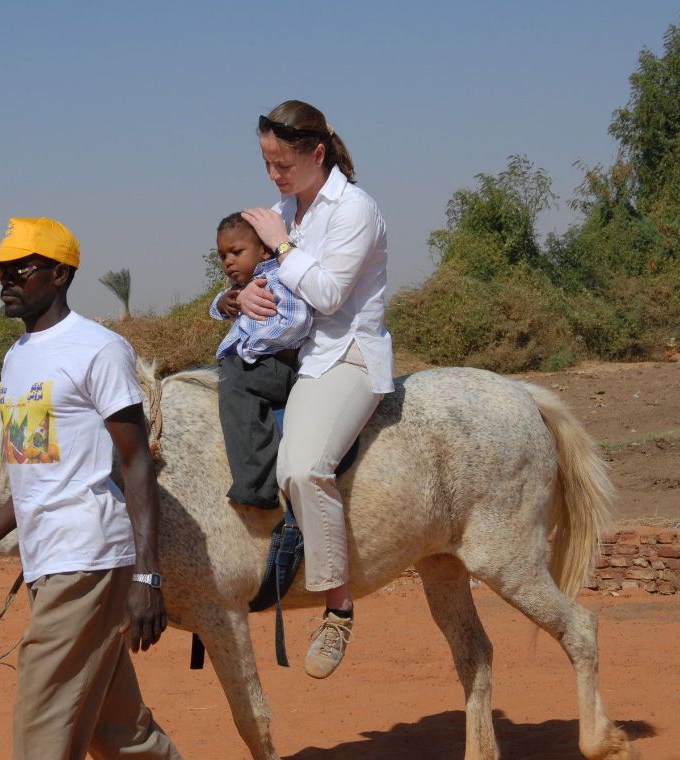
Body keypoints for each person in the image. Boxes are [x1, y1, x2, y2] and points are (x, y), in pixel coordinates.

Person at [0, 217, 181, 760]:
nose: (5, 280)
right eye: (0, 270)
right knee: (120, 733)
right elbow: (33, 472)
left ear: (60, 273)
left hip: (86, 555)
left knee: (41, 725)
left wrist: (147, 574)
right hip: (47, 560)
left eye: (20, 268)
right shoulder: (18, 359)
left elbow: (136, 464)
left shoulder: (98, 348)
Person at [230, 100, 394, 679]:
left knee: (303, 469)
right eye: (267, 163)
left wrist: (280, 244)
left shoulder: (355, 209)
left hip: (346, 355)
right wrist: (244, 296)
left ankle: (337, 609)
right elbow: (271, 281)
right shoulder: (286, 208)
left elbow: (326, 295)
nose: (274, 175)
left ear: (316, 154)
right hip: (295, 353)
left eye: (282, 164)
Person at [209, 212, 312, 510]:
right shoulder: (243, 287)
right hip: (260, 362)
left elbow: (297, 319)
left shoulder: (278, 278)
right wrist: (223, 302)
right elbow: (218, 307)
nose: (228, 261)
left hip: (277, 365)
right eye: (222, 255)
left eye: (237, 252)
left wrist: (253, 348)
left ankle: (257, 484)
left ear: (264, 250)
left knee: (236, 383)